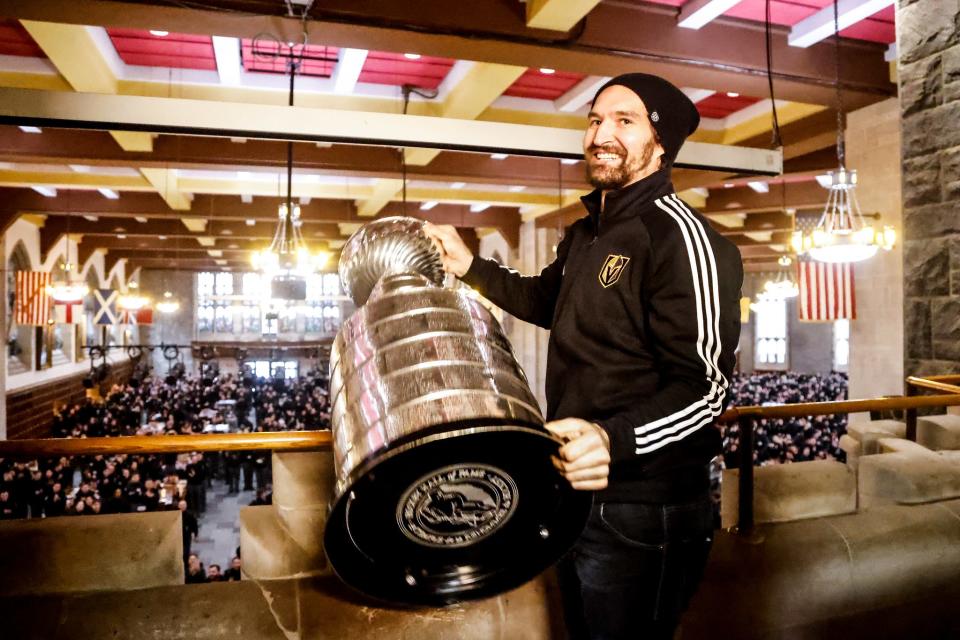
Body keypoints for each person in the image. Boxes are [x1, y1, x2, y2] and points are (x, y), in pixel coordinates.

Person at [424, 73, 743, 640]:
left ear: (661, 143)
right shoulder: (585, 233)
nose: (602, 133)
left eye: (625, 120)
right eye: (595, 120)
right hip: (576, 490)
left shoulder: (683, 238)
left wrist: (614, 440)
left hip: (647, 508)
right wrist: (469, 264)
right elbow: (546, 303)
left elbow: (708, 388)